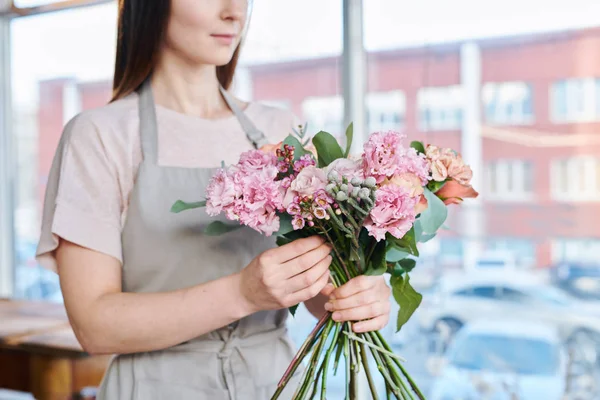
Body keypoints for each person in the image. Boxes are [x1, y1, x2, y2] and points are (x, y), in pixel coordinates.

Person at [35, 0, 391, 399]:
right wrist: (242, 293)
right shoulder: (99, 136)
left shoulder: (281, 131)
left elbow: (315, 293)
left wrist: (354, 297)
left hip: (274, 386)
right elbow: (94, 326)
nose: (234, 12)